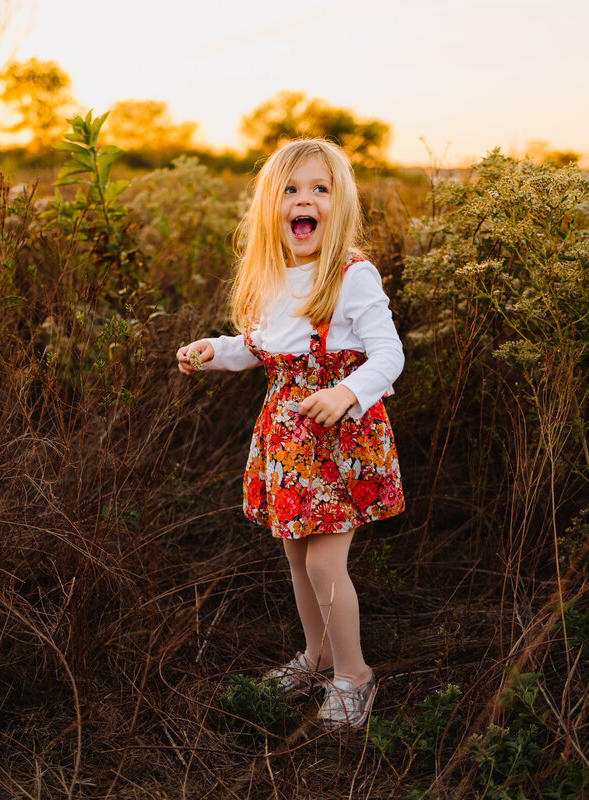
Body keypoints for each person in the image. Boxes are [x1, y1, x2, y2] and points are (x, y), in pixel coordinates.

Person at [175, 138, 405, 729]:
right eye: (291, 189)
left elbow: (388, 354)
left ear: (340, 204)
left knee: (327, 565)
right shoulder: (274, 275)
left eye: (320, 189)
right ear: (270, 207)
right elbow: (258, 349)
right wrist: (213, 352)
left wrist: (347, 391)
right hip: (287, 441)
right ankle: (316, 657)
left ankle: (354, 674)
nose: (305, 200)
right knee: (298, 560)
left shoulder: (352, 275)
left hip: (337, 441)